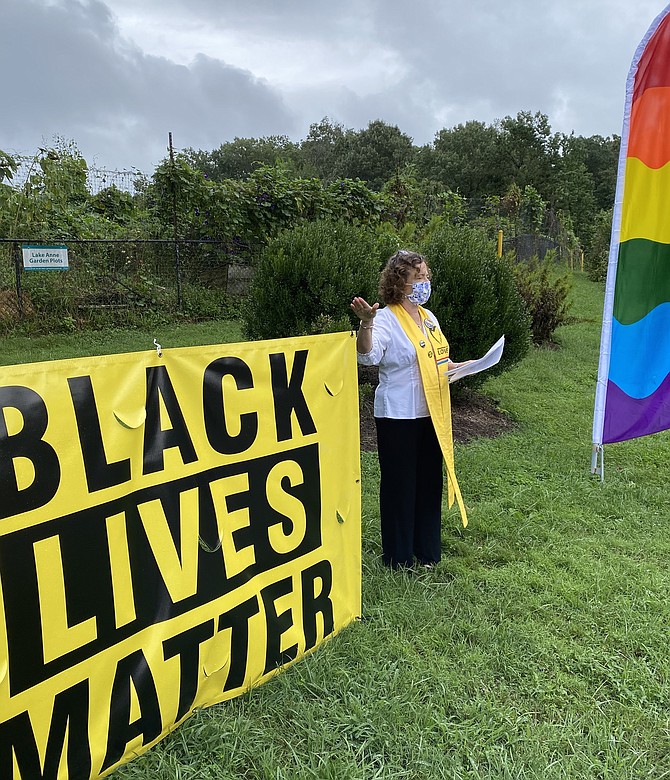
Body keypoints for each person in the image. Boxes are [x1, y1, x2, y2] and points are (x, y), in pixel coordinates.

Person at [351, 249, 468, 570]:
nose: (425, 283)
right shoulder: (386, 318)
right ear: (399, 283)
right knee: (400, 486)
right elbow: (368, 356)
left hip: (431, 412)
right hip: (397, 416)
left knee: (429, 483)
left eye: (427, 276)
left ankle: (427, 552)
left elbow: (438, 361)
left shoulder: (429, 318)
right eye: (418, 278)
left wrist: (464, 367)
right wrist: (366, 325)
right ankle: (398, 557)